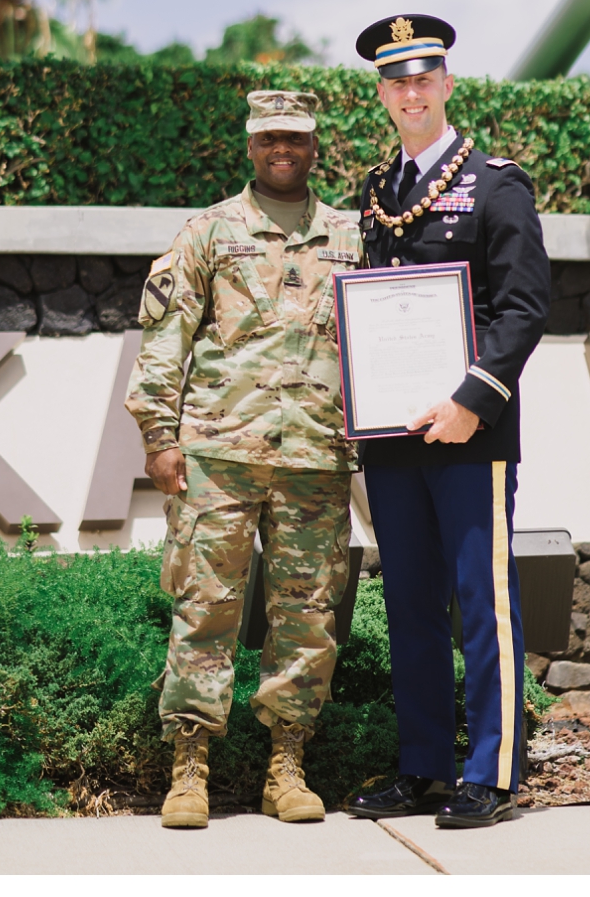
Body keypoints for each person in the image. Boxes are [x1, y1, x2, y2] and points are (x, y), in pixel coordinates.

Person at [124, 90, 364, 830]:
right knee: (205, 607)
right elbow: (164, 340)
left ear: (315, 145)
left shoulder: (352, 236)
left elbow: (382, 339)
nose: (281, 148)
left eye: (295, 136)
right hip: (219, 455)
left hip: (317, 459)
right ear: (250, 144)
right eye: (269, 137)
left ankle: (286, 765)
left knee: (307, 616)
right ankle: (189, 765)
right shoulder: (208, 232)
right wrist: (159, 437)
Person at [342, 14, 550, 831]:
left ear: (448, 84)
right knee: (411, 604)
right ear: (383, 95)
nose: (411, 91)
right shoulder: (377, 190)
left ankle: (492, 771)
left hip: (471, 435)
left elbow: (525, 307)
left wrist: (471, 401)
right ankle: (423, 765)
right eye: (396, 81)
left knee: (481, 598)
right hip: (393, 437)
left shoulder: (497, 184)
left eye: (424, 76)